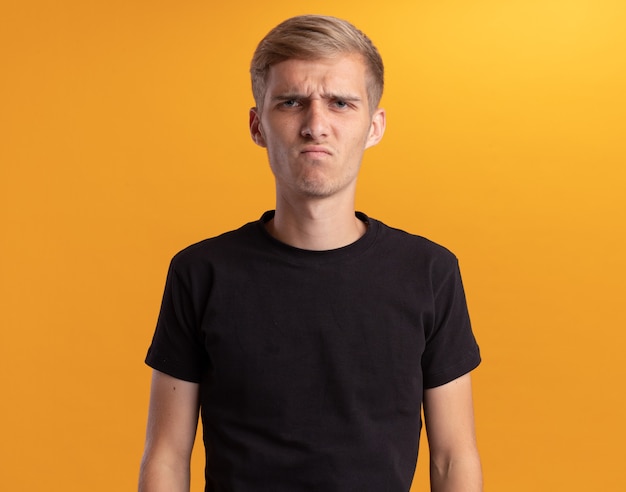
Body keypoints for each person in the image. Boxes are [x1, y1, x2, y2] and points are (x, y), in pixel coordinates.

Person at [139, 14, 482, 492]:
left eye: (341, 103)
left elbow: (452, 458)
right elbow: (167, 457)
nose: (315, 125)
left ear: (374, 126)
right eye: (291, 102)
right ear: (258, 125)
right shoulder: (200, 273)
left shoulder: (429, 272)